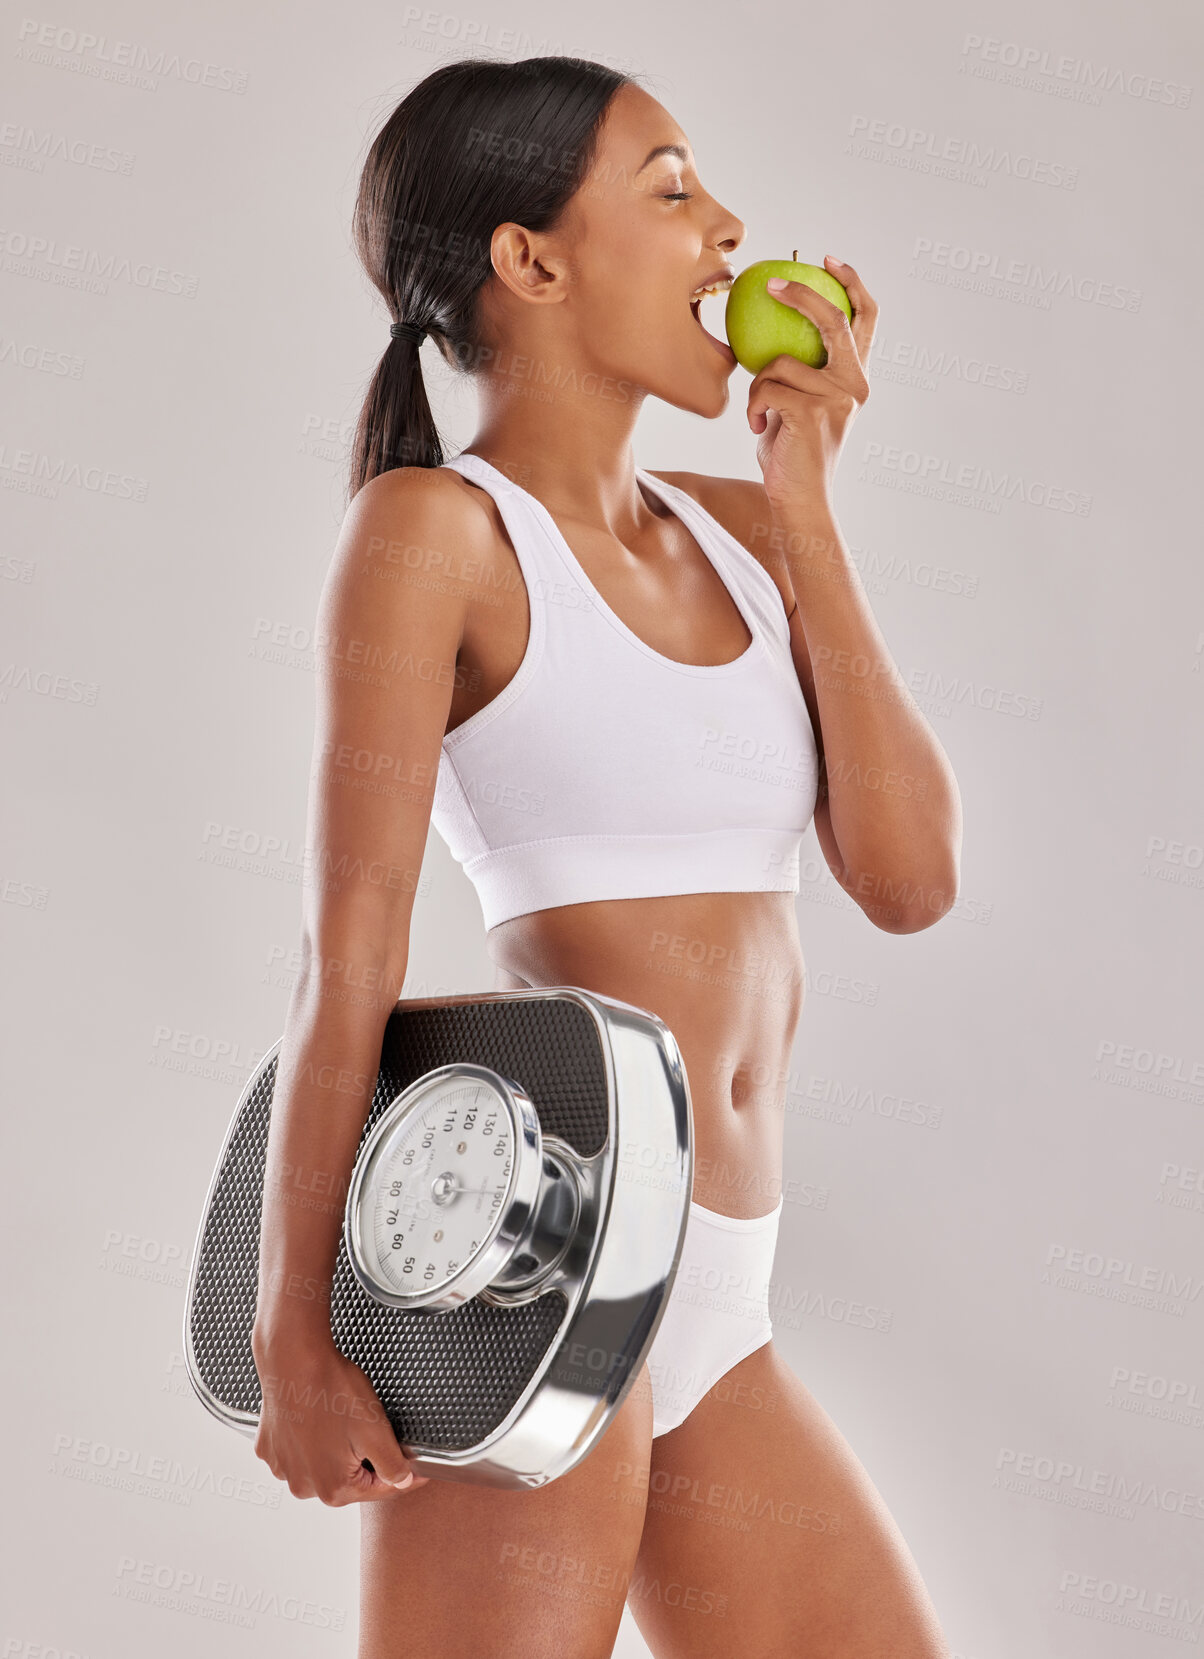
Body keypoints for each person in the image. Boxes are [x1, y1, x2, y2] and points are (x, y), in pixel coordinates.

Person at [250, 53, 962, 1659]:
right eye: (673, 191)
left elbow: (910, 882)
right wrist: (297, 1329)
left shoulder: (751, 534)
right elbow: (345, 956)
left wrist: (809, 500)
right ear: (532, 262)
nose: (727, 233)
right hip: (538, 1282)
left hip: (719, 1303)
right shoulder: (435, 536)